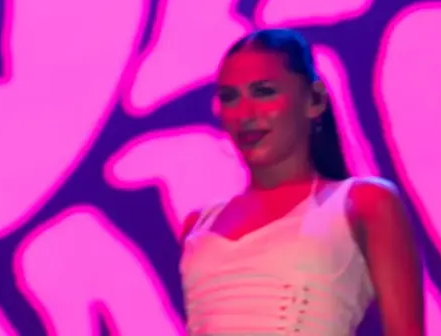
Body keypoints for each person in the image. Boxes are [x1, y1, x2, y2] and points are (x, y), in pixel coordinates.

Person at [179, 28, 424, 336]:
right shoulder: (200, 223)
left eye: (264, 92)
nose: (245, 114)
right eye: (230, 98)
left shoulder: (362, 202)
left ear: (315, 99)